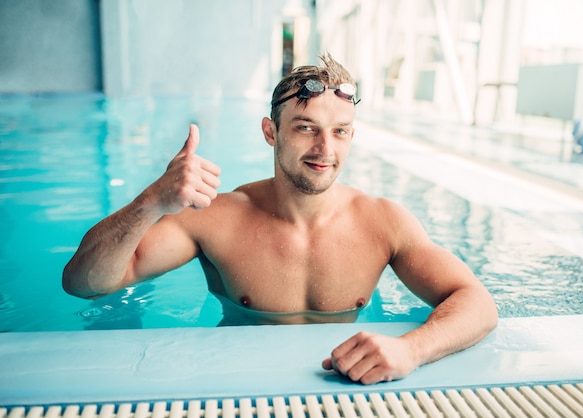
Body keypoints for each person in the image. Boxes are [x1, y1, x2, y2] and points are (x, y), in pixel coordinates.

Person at [63, 53, 498, 385]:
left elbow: (476, 302)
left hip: (348, 387)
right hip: (234, 382)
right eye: (306, 127)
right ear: (271, 131)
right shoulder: (216, 218)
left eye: (340, 131)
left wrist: (412, 351)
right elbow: (84, 283)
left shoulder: (383, 222)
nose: (324, 148)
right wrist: (151, 201)